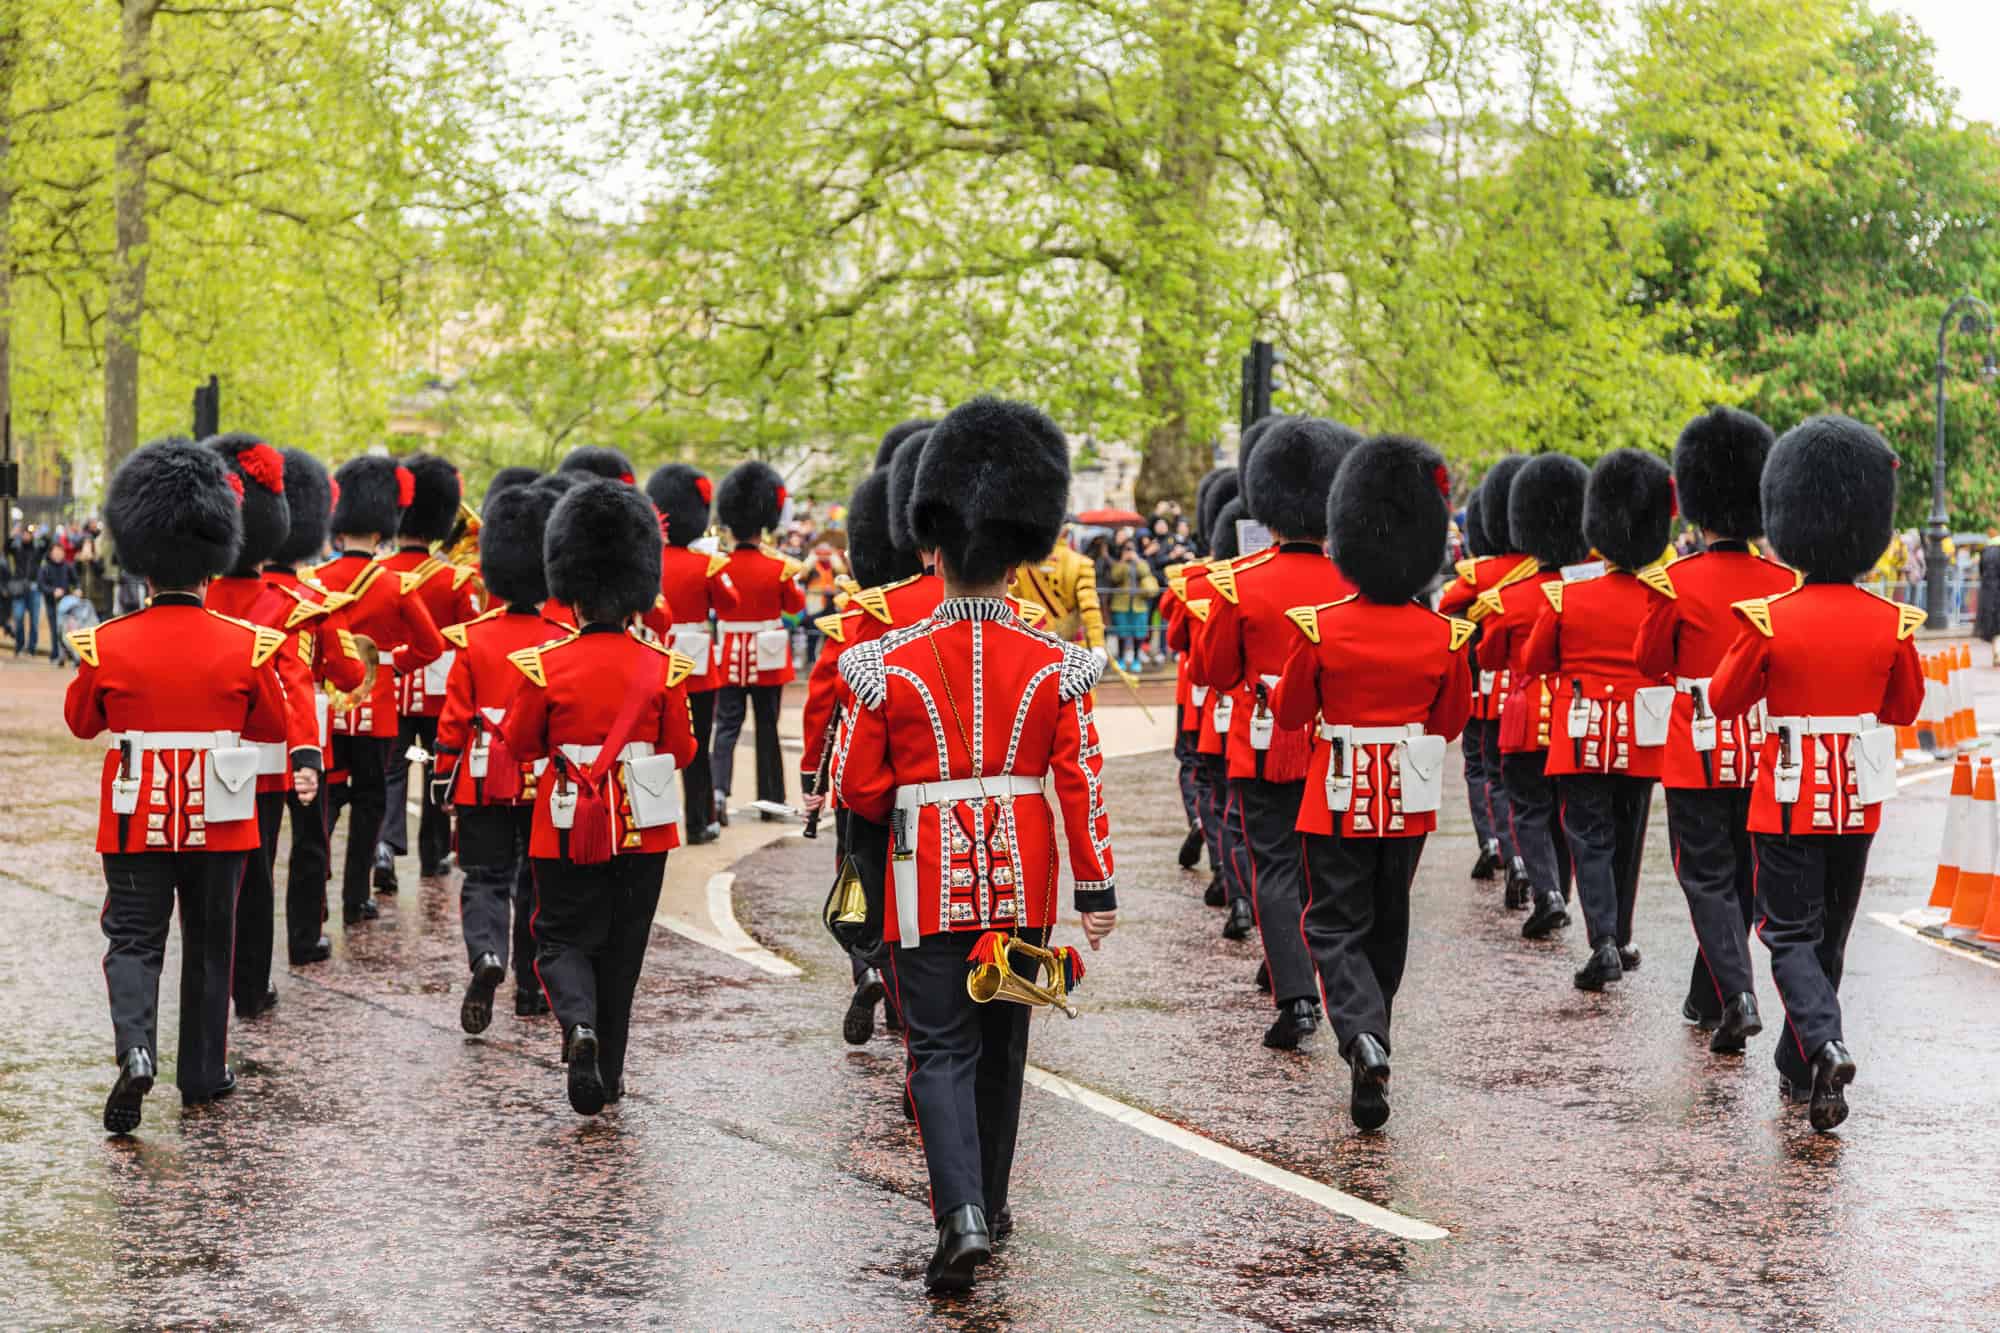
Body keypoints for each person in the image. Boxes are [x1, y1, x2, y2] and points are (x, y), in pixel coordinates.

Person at [834, 396, 1116, 1292]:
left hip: (924, 884)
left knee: (940, 1052)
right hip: (1025, 886)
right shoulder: (1054, 662)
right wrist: (1097, 892)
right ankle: (990, 1206)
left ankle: (958, 1214)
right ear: (1019, 551)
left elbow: (859, 788)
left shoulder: (889, 660)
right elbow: (1080, 779)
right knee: (1005, 1047)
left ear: (934, 542)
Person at [65, 438, 290, 1133]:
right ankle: (200, 1073)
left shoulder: (109, 641)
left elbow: (80, 721)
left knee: (133, 938)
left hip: (138, 816)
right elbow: (274, 723)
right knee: (210, 940)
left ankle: (136, 1049)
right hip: (220, 818)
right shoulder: (243, 643)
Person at [1708, 416, 1924, 1132]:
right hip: (1857, 799)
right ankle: (1803, 1069)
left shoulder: (1771, 618)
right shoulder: (1890, 621)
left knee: (1788, 934)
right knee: (1829, 933)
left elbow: (1725, 698)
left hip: (1789, 796)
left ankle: (1823, 1045)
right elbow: (1906, 706)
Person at [1275, 434, 1473, 1128]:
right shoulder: (1442, 636)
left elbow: (1292, 711)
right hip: (1409, 801)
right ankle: (1373, 1038)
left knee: (1331, 921)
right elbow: (1450, 724)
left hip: (1335, 797)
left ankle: (1362, 1034)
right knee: (1388, 922)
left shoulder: (1323, 630)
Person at [502, 478, 699, 1115]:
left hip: (563, 821)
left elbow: (517, 745)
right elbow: (684, 752)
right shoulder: (663, 666)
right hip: (642, 826)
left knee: (558, 938)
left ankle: (577, 1023)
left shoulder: (544, 664)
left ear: (573, 590)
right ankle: (606, 1078)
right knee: (624, 951)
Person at [1633, 408, 1797, 1050]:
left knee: (1704, 875)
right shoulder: (1784, 584)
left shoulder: (1675, 582)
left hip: (1695, 748)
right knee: (1743, 878)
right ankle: (1710, 995)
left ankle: (1737, 994)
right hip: (1761, 749)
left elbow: (1649, 663)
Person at [1197, 416, 1359, 1051]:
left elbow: (1213, 670)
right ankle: (1305, 967)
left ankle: (1295, 1000)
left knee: (1274, 866)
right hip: (1337, 740)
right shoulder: (1353, 579)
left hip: (1264, 737)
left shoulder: (1239, 582)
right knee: (1327, 869)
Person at [1520, 449, 1674, 991]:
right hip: (1641, 730)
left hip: (1582, 726)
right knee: (1629, 834)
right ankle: (1621, 935)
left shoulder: (1569, 597)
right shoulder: (1660, 597)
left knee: (1590, 837)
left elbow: (1533, 661)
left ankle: (1604, 940)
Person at [433, 480, 574, 1031]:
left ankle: (485, 955)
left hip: (482, 773)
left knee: (484, 877)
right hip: (541, 775)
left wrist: (444, 774)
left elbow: (454, 716)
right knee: (535, 880)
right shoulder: (561, 636)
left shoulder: (472, 638)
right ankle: (531, 988)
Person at [200, 434, 333, 1020]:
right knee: (256, 875)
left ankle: (213, 979)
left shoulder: (198, 595)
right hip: (265, 761)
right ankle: (251, 987)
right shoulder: (282, 602)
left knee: (209, 880)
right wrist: (306, 754)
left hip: (201, 754)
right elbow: (294, 681)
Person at [316, 457, 447, 926]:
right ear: (380, 530)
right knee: (372, 802)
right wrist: (390, 667)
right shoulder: (394, 585)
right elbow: (431, 645)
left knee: (327, 800)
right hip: (378, 707)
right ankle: (355, 898)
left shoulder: (317, 582)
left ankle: (314, 889)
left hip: (329, 710)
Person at [262, 447, 367, 967]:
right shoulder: (311, 600)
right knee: (309, 843)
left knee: (251, 850)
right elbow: (351, 673)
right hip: (306, 739)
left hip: (246, 738)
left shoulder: (229, 595)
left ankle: (246, 947)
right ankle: (304, 938)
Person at [1478, 454, 1589, 939]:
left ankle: (1547, 893)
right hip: (1573, 713)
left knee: (1527, 807)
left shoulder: (1513, 596)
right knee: (1565, 810)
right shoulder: (1587, 590)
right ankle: (1557, 888)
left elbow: (1487, 655)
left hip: (1525, 713)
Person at [371, 455, 480, 891]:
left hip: (392, 691)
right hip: (439, 694)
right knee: (437, 765)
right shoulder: (453, 580)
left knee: (393, 770)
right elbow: (467, 637)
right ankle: (433, 854)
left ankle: (384, 846)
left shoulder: (376, 575)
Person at [1436, 461, 1538, 889]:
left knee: (1482, 768)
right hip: (1532, 689)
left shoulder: (1480, 574)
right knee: (1517, 779)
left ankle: (1493, 844)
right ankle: (1522, 854)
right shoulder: (1542, 571)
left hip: (1487, 684)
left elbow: (1446, 612)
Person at [707, 460, 805, 822]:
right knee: (767, 729)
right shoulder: (778, 567)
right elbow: (794, 607)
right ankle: (770, 799)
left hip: (730, 655)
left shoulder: (719, 565)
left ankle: (718, 792)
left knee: (727, 728)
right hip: (768, 657)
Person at [643, 463, 722, 844]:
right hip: (698, 666)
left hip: (654, 662)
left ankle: (652, 818)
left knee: (654, 744)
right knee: (698, 746)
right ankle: (697, 821)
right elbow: (730, 601)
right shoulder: (705, 565)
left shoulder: (648, 562)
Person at [38, 543, 73, 665]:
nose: (58, 554)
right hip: (51, 603)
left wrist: (78, 589)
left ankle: (66, 654)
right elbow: (41, 585)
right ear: (51, 553)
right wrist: (52, 591)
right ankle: (55, 654)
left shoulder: (68, 566)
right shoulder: (45, 568)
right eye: (56, 551)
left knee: (66, 629)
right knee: (55, 628)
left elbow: (75, 581)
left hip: (67, 604)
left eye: (60, 551)